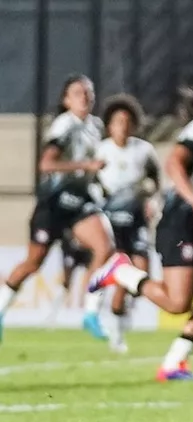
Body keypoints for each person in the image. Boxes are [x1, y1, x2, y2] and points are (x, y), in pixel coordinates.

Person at [90, 74, 193, 381]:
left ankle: (173, 365)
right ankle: (120, 272)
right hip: (180, 220)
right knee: (178, 303)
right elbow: (174, 166)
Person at [0, 74, 116, 342]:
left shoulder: (95, 126)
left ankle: (90, 313)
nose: (84, 97)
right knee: (33, 263)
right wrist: (84, 167)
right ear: (66, 100)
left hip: (79, 201)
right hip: (54, 204)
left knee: (105, 247)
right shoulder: (65, 126)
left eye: (88, 92)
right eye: (77, 93)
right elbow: (46, 164)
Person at [94, 93, 161, 354]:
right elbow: (91, 183)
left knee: (141, 270)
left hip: (136, 219)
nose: (123, 126)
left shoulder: (143, 150)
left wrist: (152, 200)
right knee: (125, 270)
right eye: (117, 121)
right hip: (111, 220)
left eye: (127, 121)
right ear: (109, 126)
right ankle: (117, 332)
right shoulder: (101, 151)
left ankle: (117, 311)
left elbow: (156, 181)